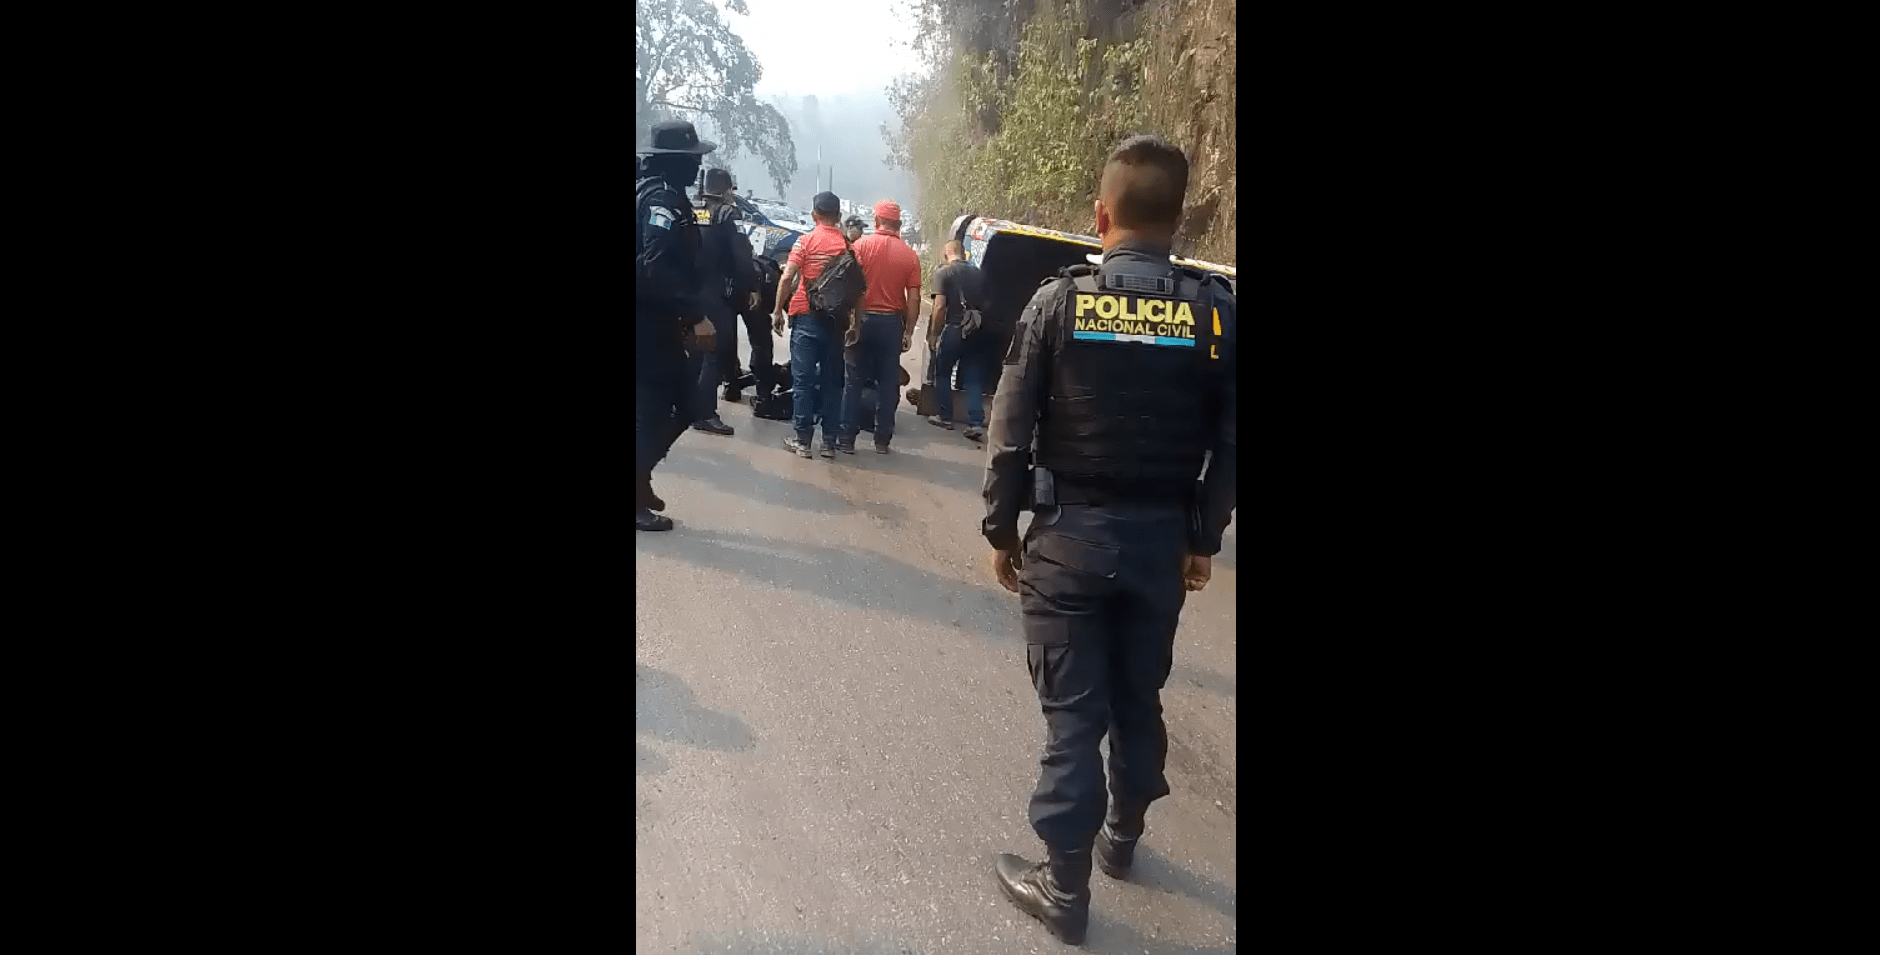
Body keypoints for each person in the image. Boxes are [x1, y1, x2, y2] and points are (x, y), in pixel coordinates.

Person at [980, 135, 1237, 945]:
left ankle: (1065, 888)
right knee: (1136, 695)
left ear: (1101, 215)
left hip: (1068, 541)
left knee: (1073, 717)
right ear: (1181, 218)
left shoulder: (1059, 302)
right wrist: (1204, 537)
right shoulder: (1215, 312)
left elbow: (1010, 428)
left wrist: (1001, 527)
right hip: (1161, 544)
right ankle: (1122, 836)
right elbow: (1230, 443)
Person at [635, 121, 719, 532]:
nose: (697, 167)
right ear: (672, 163)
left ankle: (639, 480)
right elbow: (655, 268)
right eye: (691, 160)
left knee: (689, 404)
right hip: (649, 325)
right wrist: (694, 314)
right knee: (652, 411)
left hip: (659, 322)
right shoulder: (661, 201)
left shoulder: (665, 195)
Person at [771, 191, 851, 459]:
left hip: (806, 316)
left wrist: (777, 311)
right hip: (836, 322)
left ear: (814, 215)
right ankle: (829, 443)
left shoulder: (805, 242)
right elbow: (858, 289)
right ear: (838, 216)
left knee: (803, 382)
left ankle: (803, 441)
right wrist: (855, 323)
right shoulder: (847, 247)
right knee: (833, 384)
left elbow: (787, 278)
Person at [839, 200, 921, 454]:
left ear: (876, 222)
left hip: (861, 321)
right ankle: (882, 440)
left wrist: (849, 320)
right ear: (899, 224)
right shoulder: (909, 255)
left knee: (853, 381)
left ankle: (846, 438)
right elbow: (914, 298)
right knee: (887, 383)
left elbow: (847, 286)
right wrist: (909, 331)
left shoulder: (860, 247)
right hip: (890, 325)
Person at [688, 167, 760, 436]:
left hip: (689, 290)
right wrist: (752, 285)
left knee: (692, 352)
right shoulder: (728, 214)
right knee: (713, 352)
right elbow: (741, 256)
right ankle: (705, 414)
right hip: (716, 292)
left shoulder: (692, 209)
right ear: (727, 189)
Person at [925, 240, 990, 441]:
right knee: (972, 376)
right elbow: (987, 303)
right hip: (974, 329)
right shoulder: (979, 274)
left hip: (953, 328)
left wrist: (934, 334)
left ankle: (945, 416)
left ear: (946, 253)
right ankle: (975, 422)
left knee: (943, 372)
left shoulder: (944, 273)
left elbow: (939, 307)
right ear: (963, 253)